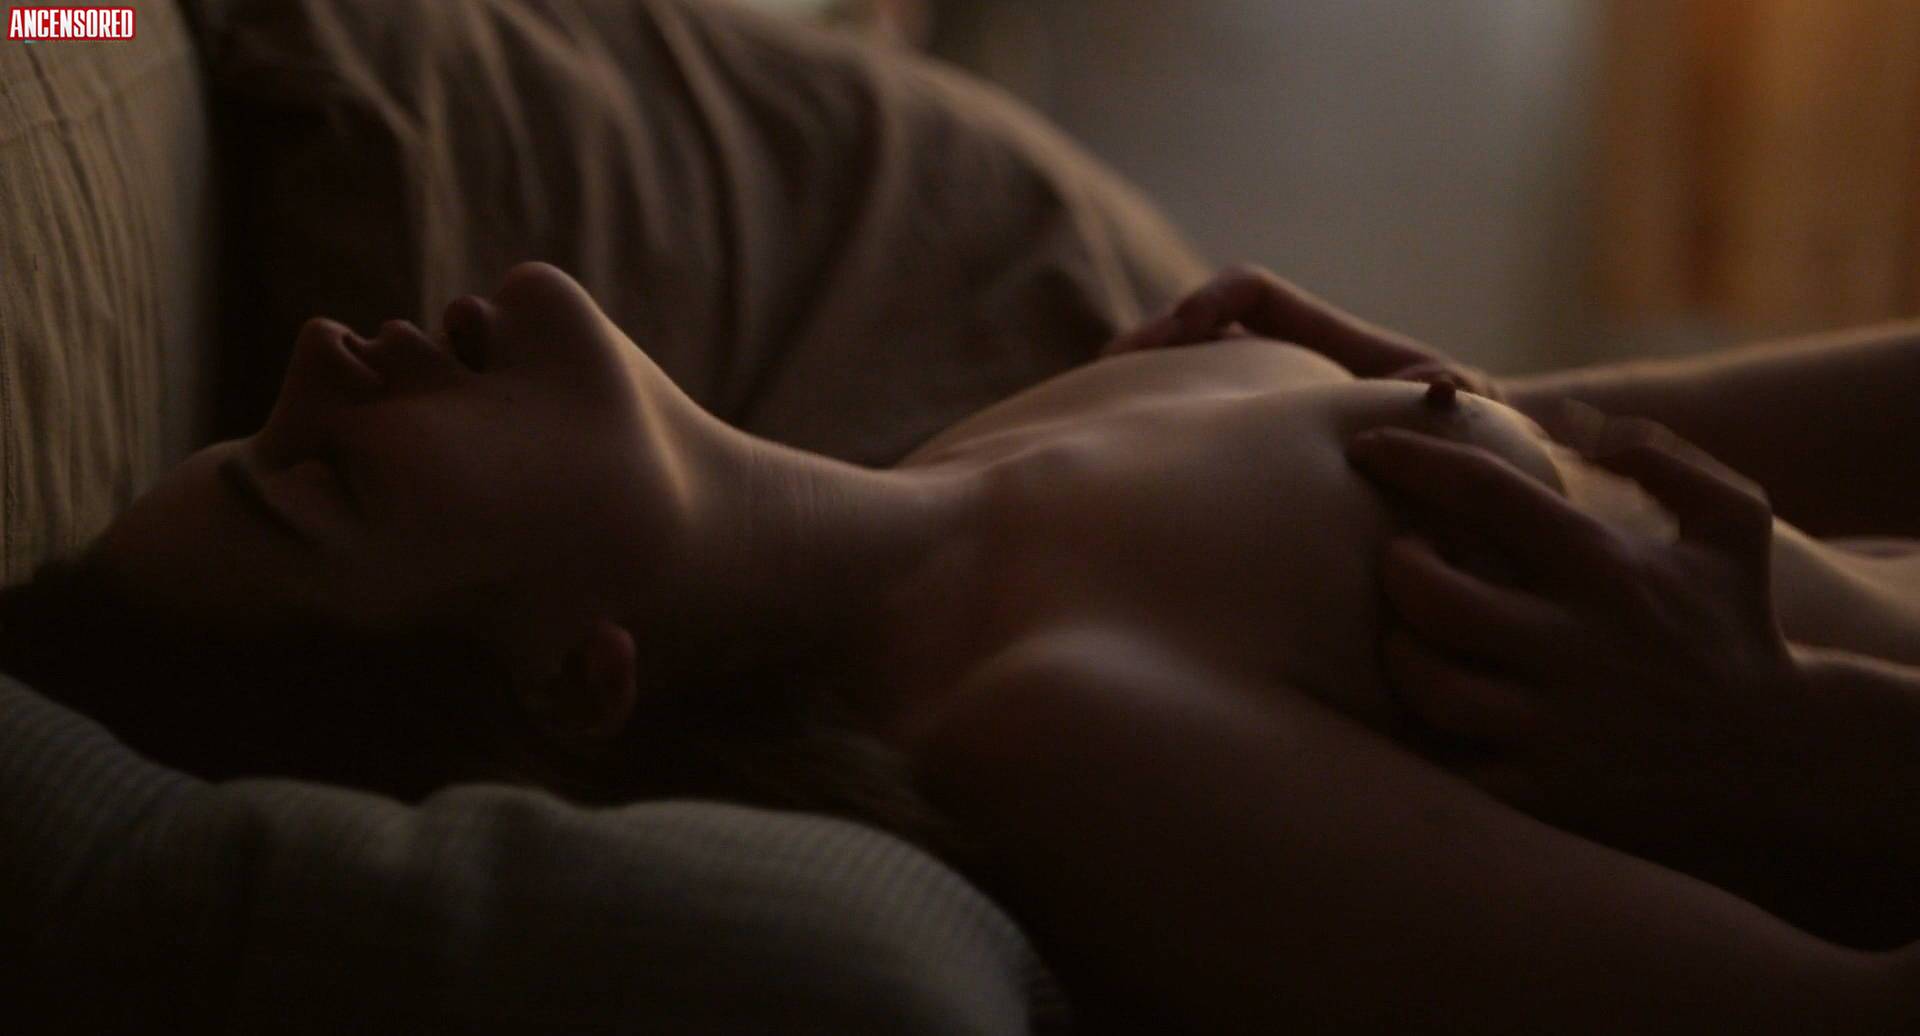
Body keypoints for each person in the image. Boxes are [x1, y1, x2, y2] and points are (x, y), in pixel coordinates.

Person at [3, 260, 1917, 1031]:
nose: (317, 356)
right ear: (578, 675)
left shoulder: (1015, 445)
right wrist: (1809, 754)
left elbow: (1718, 488)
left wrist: (1514, 409)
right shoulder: (1064, 739)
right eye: (317, 482)